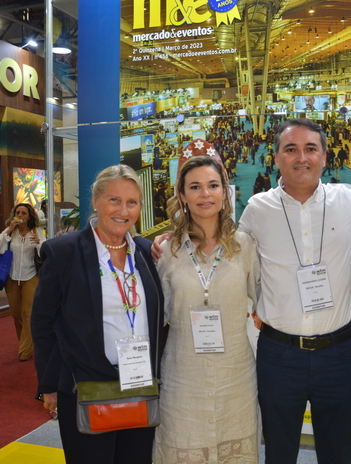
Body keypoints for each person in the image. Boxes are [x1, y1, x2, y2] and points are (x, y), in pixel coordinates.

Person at [238, 118, 351, 464]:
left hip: (339, 354)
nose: (302, 157)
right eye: (291, 149)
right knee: (280, 452)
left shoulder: (350, 202)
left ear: (325, 157)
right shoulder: (257, 210)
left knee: (338, 452)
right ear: (277, 157)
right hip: (279, 355)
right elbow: (226, 252)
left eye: (310, 149)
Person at [31, 165, 165, 464]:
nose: (123, 210)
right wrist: (49, 384)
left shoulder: (146, 253)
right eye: (114, 200)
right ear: (95, 201)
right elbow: (43, 322)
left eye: (132, 202)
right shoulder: (63, 253)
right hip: (85, 386)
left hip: (139, 384)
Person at [153, 156, 260, 464]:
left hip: (236, 376)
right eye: (195, 187)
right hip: (182, 376)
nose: (205, 194)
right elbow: (157, 316)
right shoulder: (167, 250)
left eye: (213, 185)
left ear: (224, 192)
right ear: (182, 196)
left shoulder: (245, 246)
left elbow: (265, 300)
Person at [0, 203, 45, 362]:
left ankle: (25, 350)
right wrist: (8, 229)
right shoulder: (10, 232)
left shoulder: (37, 232)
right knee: (16, 314)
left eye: (23, 213)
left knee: (28, 313)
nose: (20, 216)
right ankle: (26, 340)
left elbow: (45, 253)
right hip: (12, 277)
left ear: (29, 216)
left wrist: (39, 244)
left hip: (31, 276)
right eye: (18, 213)